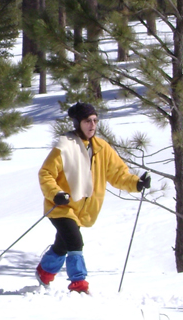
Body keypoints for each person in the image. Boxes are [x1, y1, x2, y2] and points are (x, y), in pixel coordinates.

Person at [36, 102, 151, 293]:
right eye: (87, 121)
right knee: (75, 242)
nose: (92, 125)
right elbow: (46, 173)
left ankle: (45, 272)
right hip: (61, 206)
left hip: (83, 210)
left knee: (63, 244)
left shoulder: (102, 148)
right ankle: (78, 284)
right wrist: (56, 194)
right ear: (77, 122)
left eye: (95, 120)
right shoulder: (65, 145)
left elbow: (117, 174)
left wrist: (136, 184)